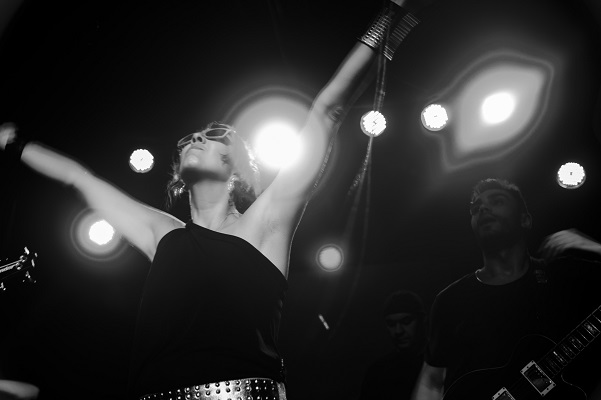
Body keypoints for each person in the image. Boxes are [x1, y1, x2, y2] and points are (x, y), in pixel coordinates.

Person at [0, 1, 425, 398]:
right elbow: (78, 178)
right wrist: (12, 142)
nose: (197, 138)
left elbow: (328, 110)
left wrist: (395, 15)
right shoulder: (160, 231)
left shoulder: (266, 223)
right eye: (192, 137)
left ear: (236, 170)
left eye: (214, 136)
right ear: (178, 177)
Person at [411, 178, 601, 400]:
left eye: (497, 201)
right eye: (476, 207)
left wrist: (594, 247)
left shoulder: (567, 276)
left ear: (525, 220)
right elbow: (432, 382)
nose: (483, 208)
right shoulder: (451, 300)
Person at [359, 290, 427, 400]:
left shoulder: (442, 363)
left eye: (406, 321)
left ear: (422, 320)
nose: (398, 331)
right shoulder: (378, 372)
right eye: (391, 324)